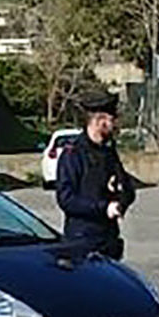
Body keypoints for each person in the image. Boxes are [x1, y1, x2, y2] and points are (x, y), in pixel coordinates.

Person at [55, 91, 136, 260]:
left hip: (108, 239)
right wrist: (103, 208)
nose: (115, 125)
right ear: (100, 121)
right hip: (83, 240)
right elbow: (67, 199)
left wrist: (121, 202)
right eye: (111, 120)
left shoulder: (108, 152)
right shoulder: (74, 154)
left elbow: (127, 187)